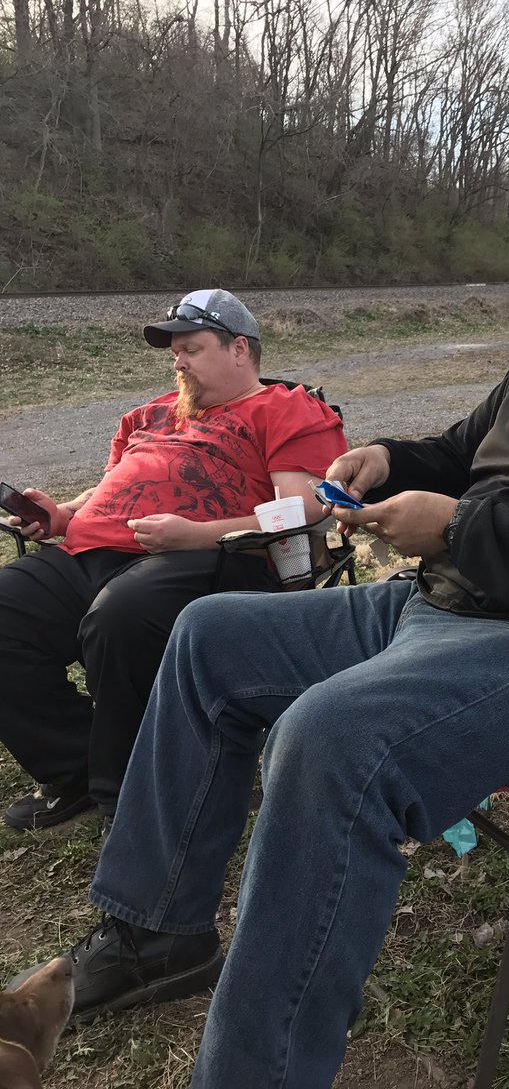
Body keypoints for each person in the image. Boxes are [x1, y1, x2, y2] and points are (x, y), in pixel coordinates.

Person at [10, 145, 509, 1087]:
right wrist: (385, 458)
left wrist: (458, 528)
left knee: (333, 735)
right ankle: (154, 933)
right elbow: (462, 451)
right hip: (446, 611)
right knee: (207, 633)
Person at [0, 289, 346, 830]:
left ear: (239, 349)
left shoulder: (288, 408)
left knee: (120, 615)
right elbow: (115, 488)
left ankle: (129, 795)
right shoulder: (150, 414)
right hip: (93, 551)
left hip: (213, 558)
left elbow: (302, 509)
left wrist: (200, 536)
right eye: (173, 351)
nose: (178, 360)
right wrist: (63, 515)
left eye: (192, 347)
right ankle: (76, 765)